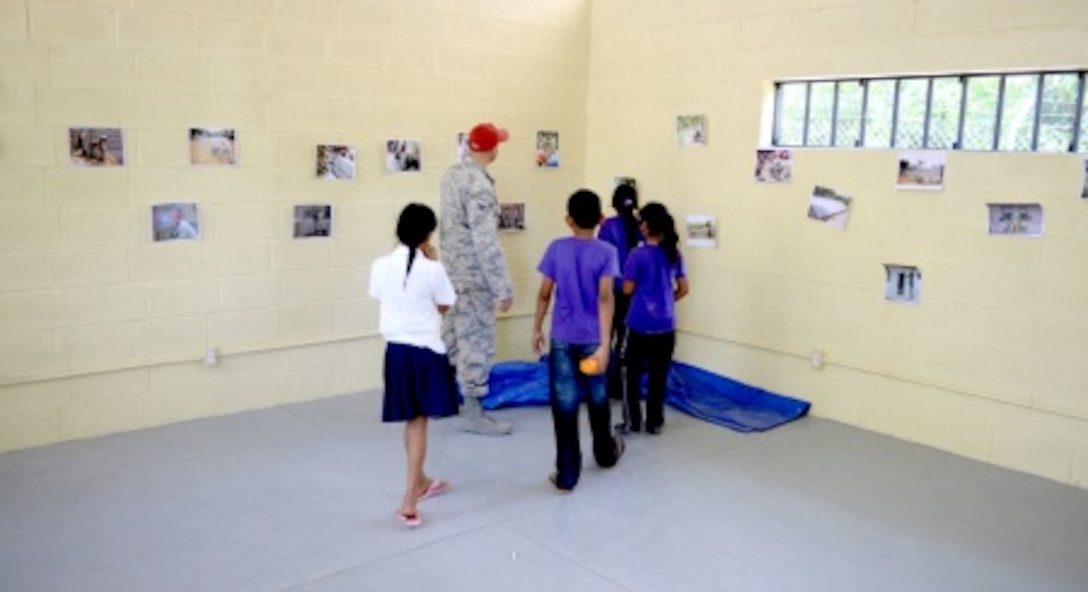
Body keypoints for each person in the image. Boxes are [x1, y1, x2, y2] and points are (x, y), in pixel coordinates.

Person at [368, 203, 458, 528]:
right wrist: (435, 261)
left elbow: (380, 294)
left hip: (396, 352)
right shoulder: (432, 269)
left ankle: (420, 480)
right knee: (418, 422)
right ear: (428, 235)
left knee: (412, 420)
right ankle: (409, 498)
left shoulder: (380, 265)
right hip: (425, 352)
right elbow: (445, 305)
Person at [532, 189, 625, 492]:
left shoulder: (556, 249)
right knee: (598, 398)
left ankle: (567, 475)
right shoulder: (607, 252)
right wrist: (605, 344)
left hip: (562, 339)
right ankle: (605, 454)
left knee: (565, 404)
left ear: (568, 219)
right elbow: (605, 298)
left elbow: (545, 293)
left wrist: (537, 328)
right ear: (600, 219)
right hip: (593, 341)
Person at [439, 122, 515, 436]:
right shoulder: (479, 185)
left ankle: (440, 399)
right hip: (473, 276)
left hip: (451, 274)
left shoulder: (451, 175)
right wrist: (502, 287)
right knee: (475, 340)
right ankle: (473, 412)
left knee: (451, 336)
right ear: (492, 148)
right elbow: (485, 242)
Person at [620, 202, 689, 435]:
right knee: (658, 377)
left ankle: (633, 422)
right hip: (666, 325)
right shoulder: (674, 254)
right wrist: (666, 301)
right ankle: (654, 423)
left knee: (631, 375)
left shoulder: (637, 255)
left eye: (642, 221)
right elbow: (684, 289)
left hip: (639, 323)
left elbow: (628, 289)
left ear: (647, 226)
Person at [597, 183, 643, 402]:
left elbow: (599, 259)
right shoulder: (641, 227)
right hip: (634, 292)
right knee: (626, 341)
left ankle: (601, 385)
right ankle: (621, 386)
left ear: (614, 202)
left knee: (604, 337)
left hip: (612, 291)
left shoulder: (608, 226)